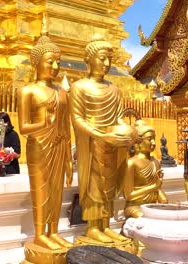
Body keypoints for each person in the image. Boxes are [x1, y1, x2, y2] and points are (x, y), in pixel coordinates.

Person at [69, 35, 131, 243]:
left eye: (109, 59)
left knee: (109, 186)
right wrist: (99, 134)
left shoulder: (114, 89)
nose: (107, 64)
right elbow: (77, 118)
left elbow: (118, 117)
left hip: (112, 144)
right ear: (89, 59)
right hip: (92, 144)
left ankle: (106, 225)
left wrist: (128, 131)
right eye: (102, 58)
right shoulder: (79, 87)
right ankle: (94, 227)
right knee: (93, 186)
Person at [17, 35, 73, 250]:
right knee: (41, 190)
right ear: (36, 62)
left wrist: (69, 157)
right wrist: (42, 124)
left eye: (58, 62)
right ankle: (40, 234)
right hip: (39, 147)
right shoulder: (27, 91)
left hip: (59, 145)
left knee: (57, 191)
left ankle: (54, 231)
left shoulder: (62, 92)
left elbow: (66, 127)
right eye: (50, 61)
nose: (55, 67)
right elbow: (23, 128)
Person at [124, 120, 168, 218]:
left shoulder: (155, 162)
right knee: (146, 218)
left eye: (154, 139)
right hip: (135, 207)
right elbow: (128, 195)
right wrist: (154, 187)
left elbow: (158, 189)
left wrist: (163, 200)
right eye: (149, 139)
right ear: (139, 141)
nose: (153, 142)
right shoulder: (131, 163)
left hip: (152, 205)